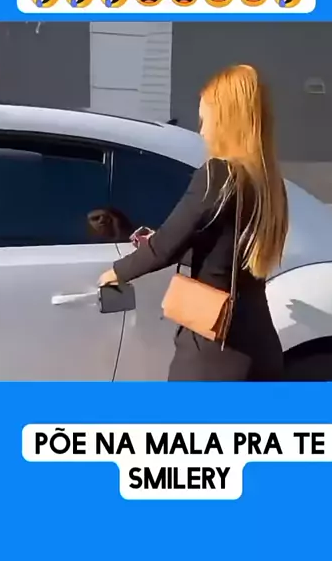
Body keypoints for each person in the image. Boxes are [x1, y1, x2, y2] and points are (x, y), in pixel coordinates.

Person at [98, 64, 289, 381]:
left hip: (215, 348)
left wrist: (115, 273)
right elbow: (225, 251)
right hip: (260, 346)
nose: (202, 131)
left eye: (205, 120)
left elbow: (164, 248)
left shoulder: (219, 174)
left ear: (226, 120)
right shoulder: (270, 183)